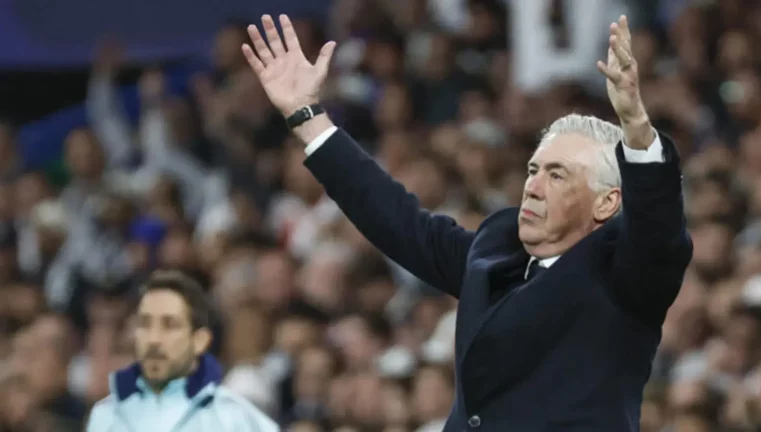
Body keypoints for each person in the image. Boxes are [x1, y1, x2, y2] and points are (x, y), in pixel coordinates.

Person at [242, 13, 692, 432]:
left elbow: (660, 231)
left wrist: (635, 127)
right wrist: (307, 116)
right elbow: (397, 219)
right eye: (534, 170)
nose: (533, 186)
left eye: (558, 175)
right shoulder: (496, 255)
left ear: (606, 203)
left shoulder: (627, 278)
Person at [85, 270, 279, 431]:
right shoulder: (108, 414)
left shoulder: (237, 411)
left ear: (199, 340)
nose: (154, 340)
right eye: (145, 324)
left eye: (170, 325)